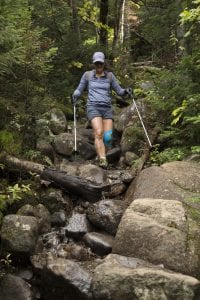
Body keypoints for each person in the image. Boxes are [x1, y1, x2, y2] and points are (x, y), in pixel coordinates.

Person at [72, 51, 132, 168]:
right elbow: (79, 89)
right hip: (93, 107)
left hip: (107, 109)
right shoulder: (87, 75)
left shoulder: (110, 76)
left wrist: (126, 91)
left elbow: (119, 91)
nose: (99, 66)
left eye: (101, 63)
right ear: (94, 64)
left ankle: (100, 153)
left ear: (104, 64)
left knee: (108, 137)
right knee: (98, 133)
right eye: (96, 63)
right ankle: (103, 159)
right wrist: (75, 94)